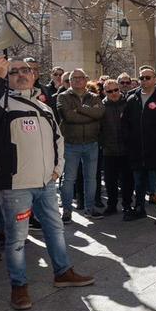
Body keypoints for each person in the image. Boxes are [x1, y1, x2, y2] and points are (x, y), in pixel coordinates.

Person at [0, 56, 95, 311]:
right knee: (17, 240)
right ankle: (19, 287)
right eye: (14, 71)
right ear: (6, 77)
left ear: (33, 75)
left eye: (25, 70)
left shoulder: (43, 106)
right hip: (15, 185)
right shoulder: (1, 102)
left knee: (55, 230)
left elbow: (58, 139)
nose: (21, 74)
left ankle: (63, 271)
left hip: (46, 183)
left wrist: (57, 169)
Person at [121, 66, 156, 224]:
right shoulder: (132, 99)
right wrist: (128, 139)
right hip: (138, 148)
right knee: (139, 181)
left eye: (147, 77)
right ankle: (139, 208)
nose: (144, 81)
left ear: (154, 79)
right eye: (141, 78)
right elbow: (125, 122)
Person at [57, 68, 105, 221]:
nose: (77, 80)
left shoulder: (94, 97)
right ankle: (67, 211)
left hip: (91, 143)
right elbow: (69, 117)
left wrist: (79, 109)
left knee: (91, 179)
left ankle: (90, 209)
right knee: (69, 179)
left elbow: (100, 114)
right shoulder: (63, 97)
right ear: (70, 81)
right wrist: (90, 114)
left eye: (80, 77)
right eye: (74, 78)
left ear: (86, 80)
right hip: (71, 144)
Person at [98, 78, 134, 216]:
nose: (113, 93)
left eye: (116, 90)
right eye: (109, 91)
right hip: (109, 150)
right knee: (110, 181)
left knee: (127, 180)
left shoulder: (128, 103)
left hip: (126, 149)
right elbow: (98, 128)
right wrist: (103, 142)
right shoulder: (101, 106)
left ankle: (127, 205)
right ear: (104, 92)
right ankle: (112, 205)